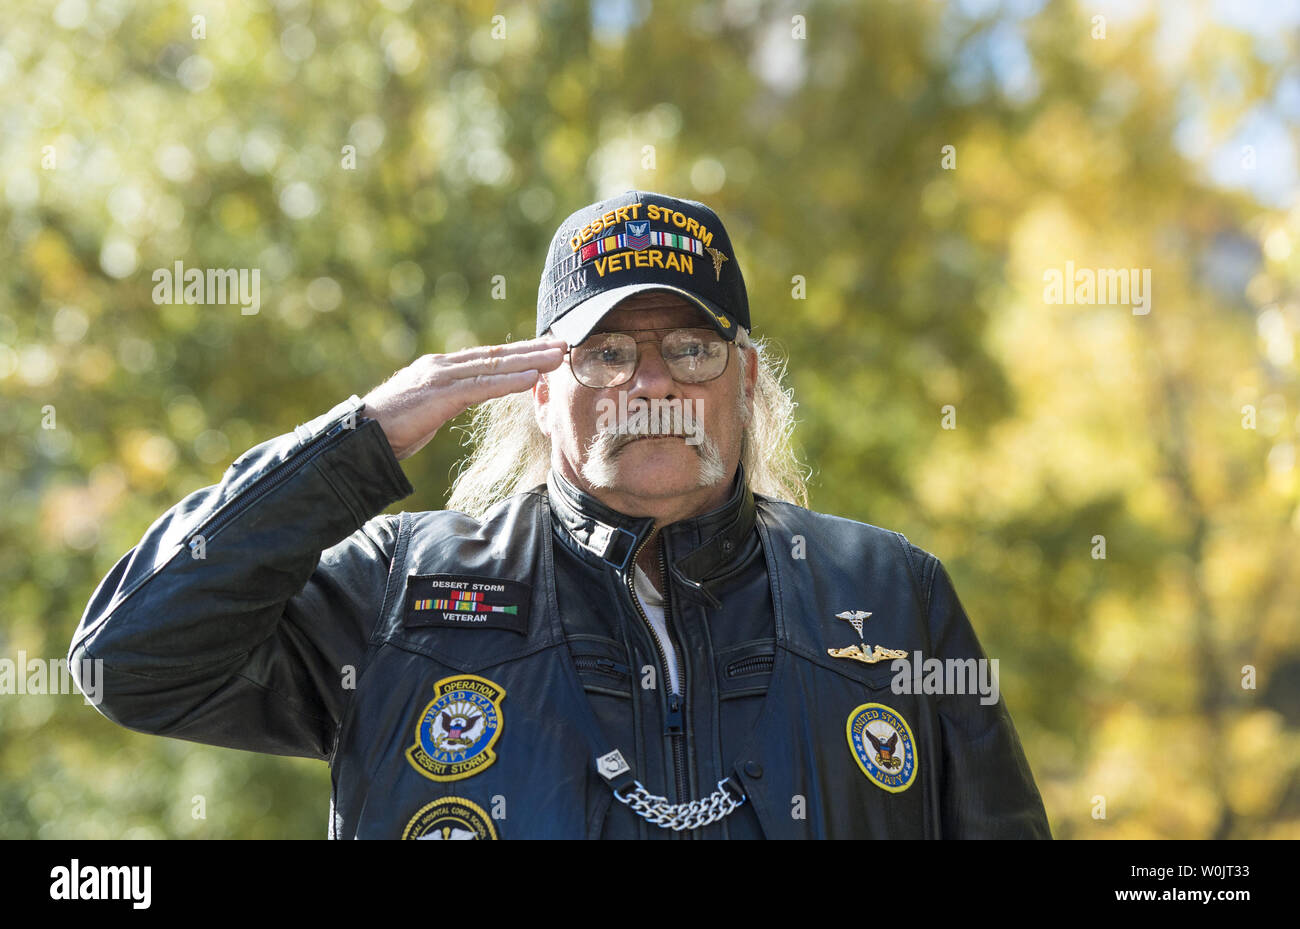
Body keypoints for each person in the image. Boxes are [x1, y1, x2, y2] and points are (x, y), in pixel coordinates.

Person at [69, 190, 1051, 839]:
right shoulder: (403, 583)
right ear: (542, 391)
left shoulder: (890, 590)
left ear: (746, 380)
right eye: (606, 353)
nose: (651, 381)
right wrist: (356, 441)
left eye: (691, 349)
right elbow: (131, 662)